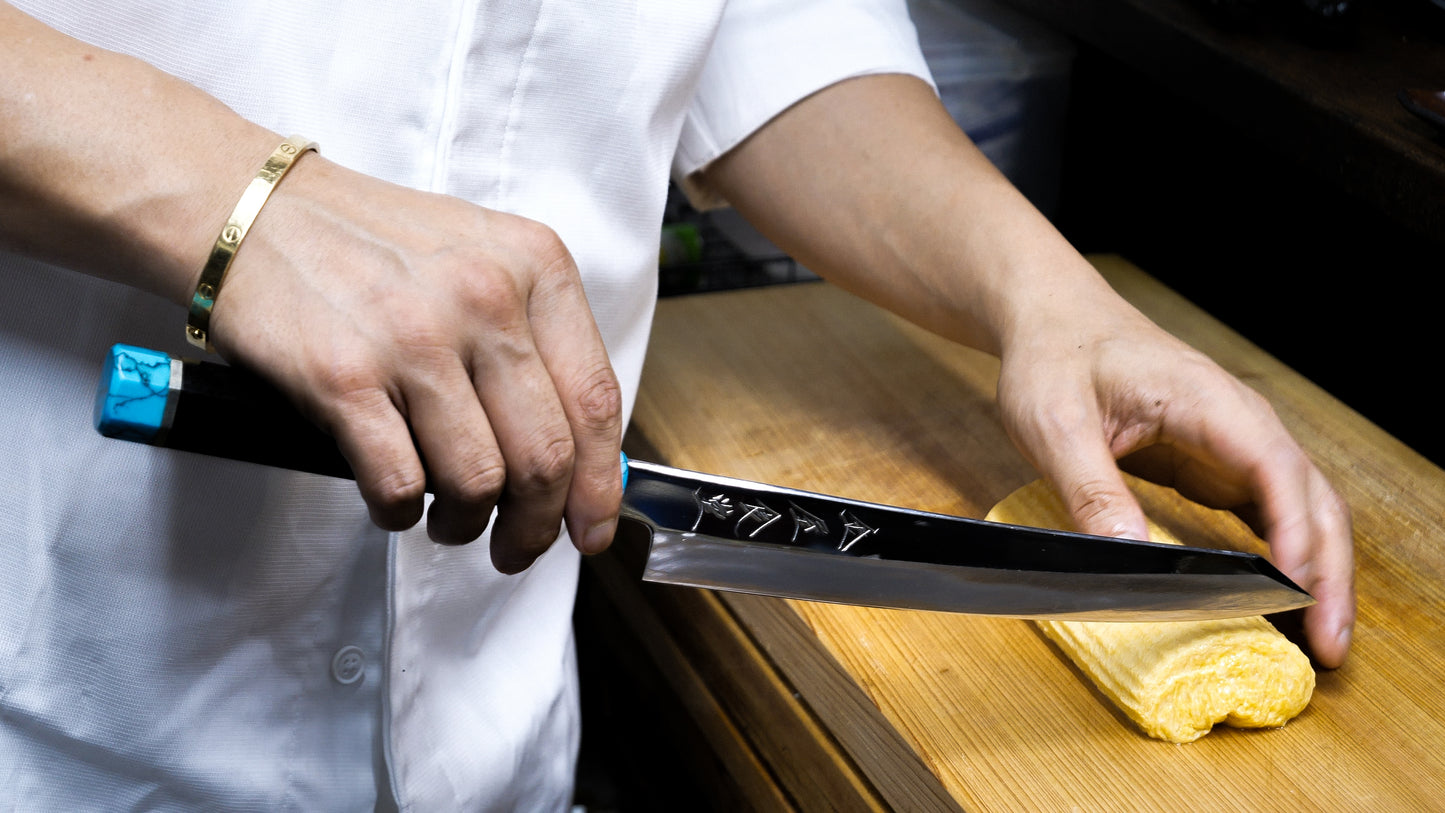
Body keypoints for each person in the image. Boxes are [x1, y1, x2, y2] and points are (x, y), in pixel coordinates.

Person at [0, 0, 1354, 808]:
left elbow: (757, 27)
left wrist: (1039, 293)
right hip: (59, 727)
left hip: (494, 734)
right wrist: (237, 197)